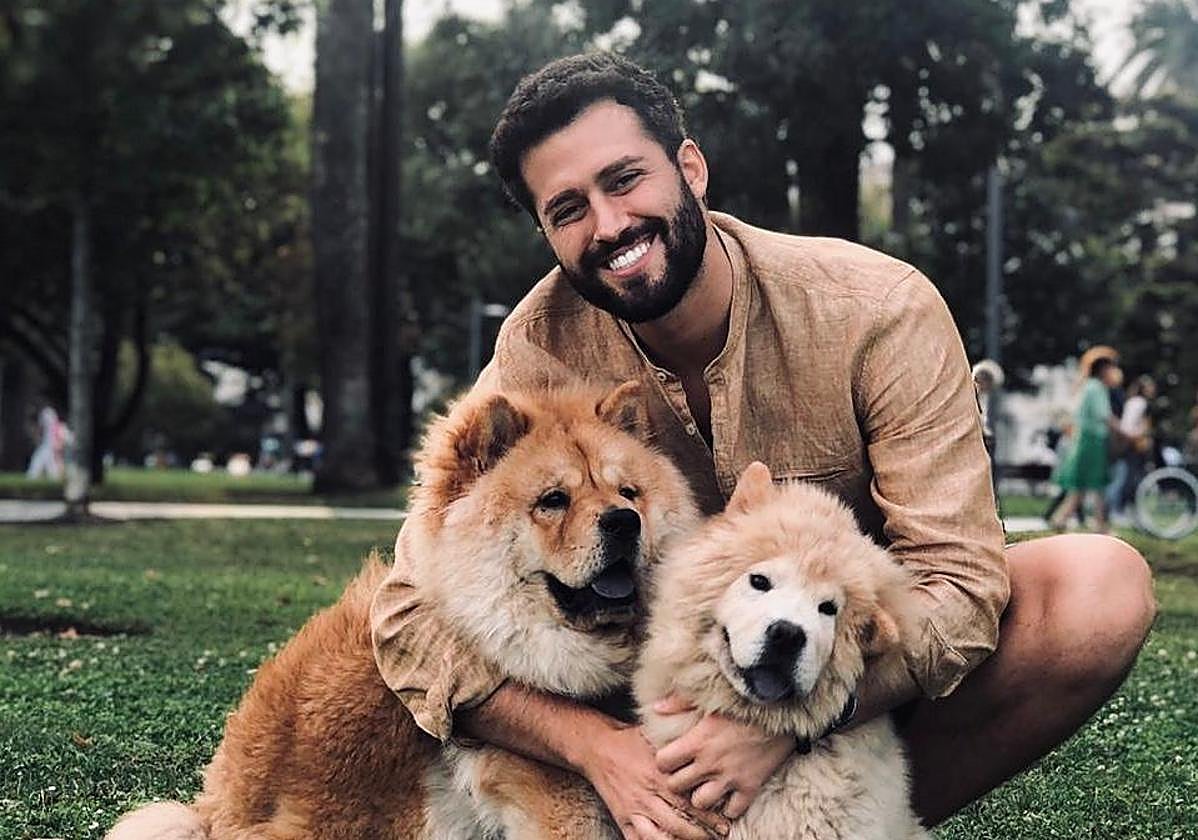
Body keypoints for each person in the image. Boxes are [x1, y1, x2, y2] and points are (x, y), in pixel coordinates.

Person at [371, 53, 1155, 839]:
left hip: (851, 679)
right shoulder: (535, 352)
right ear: (545, 230)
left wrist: (782, 723)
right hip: (645, 712)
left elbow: (959, 575)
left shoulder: (877, 310)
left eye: (624, 179)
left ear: (691, 168)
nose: (608, 225)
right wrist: (594, 749)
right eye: (567, 208)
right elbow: (404, 614)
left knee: (1098, 588)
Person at [1050, 357, 1125, 533]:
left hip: (1088, 439)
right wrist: (1124, 431)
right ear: (1103, 370)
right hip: (1092, 440)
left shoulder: (1092, 386)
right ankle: (1098, 525)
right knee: (1094, 484)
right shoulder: (1095, 387)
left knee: (1084, 485)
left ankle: (1061, 520)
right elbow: (1104, 416)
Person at [1106, 375, 1157, 524]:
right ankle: (1118, 510)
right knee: (1129, 479)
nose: (1153, 389)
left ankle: (1122, 510)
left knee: (1128, 478)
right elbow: (1128, 425)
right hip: (1133, 445)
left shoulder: (1134, 401)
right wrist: (1141, 434)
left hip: (1131, 444)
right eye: (1150, 386)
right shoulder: (1139, 403)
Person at [25, 405, 65, 480]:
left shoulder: (46, 413)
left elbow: (49, 428)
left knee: (41, 464)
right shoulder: (48, 413)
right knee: (48, 467)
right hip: (48, 445)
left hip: (49, 445)